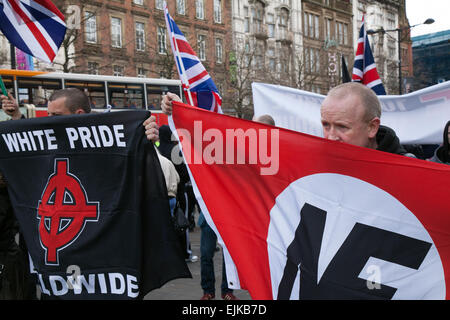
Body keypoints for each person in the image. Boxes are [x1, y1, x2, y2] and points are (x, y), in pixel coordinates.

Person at [320, 82, 416, 156]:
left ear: (372, 127)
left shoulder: (408, 173)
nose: (331, 137)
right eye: (326, 125)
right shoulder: (317, 165)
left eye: (342, 127)